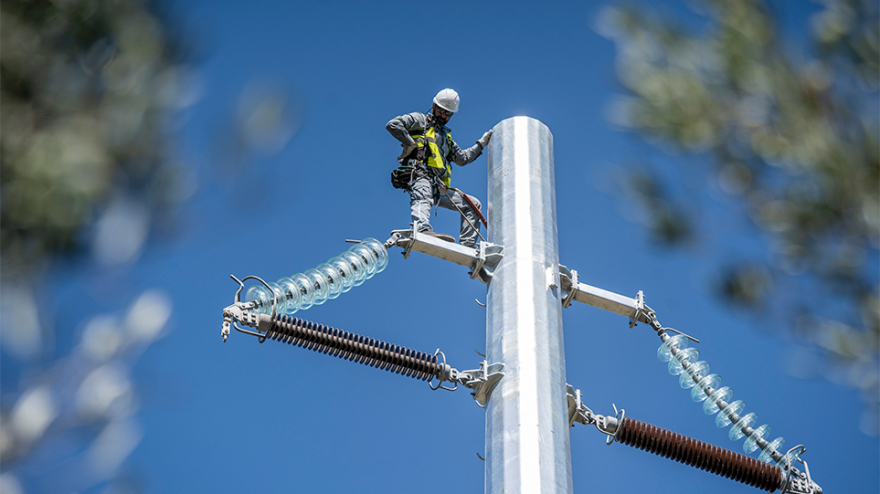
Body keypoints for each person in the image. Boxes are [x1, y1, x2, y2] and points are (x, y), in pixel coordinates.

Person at [386, 88, 492, 248]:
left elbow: (462, 159)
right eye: (441, 111)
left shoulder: (446, 140)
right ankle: (422, 228)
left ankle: (468, 245)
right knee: (423, 196)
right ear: (434, 106)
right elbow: (393, 124)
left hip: (438, 186)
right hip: (419, 175)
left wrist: (481, 144)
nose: (443, 116)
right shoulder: (420, 120)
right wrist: (410, 143)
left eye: (448, 114)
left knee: (473, 205)